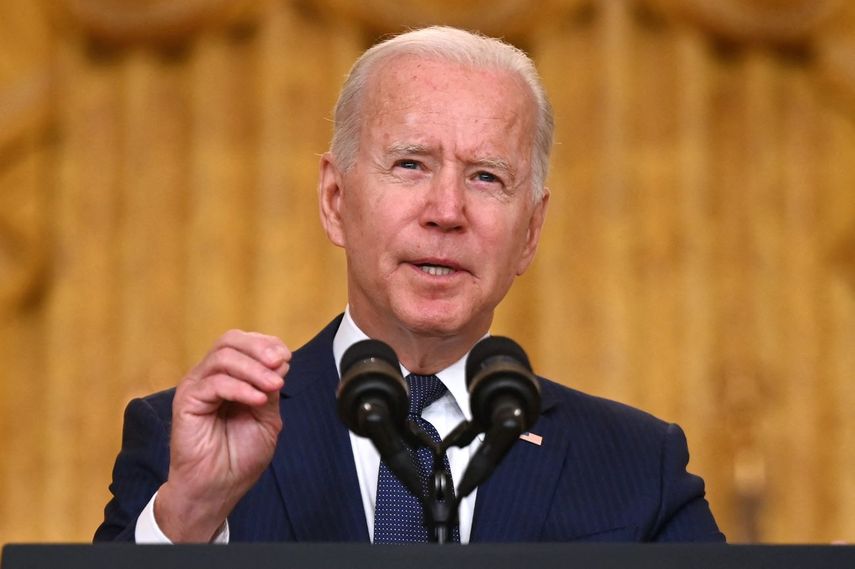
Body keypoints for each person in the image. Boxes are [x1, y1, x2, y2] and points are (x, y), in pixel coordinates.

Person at [94, 26, 725, 544]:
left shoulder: (638, 464)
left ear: (530, 231)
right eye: (410, 165)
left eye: (485, 177)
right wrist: (190, 515)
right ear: (336, 199)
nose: (446, 210)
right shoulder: (187, 439)